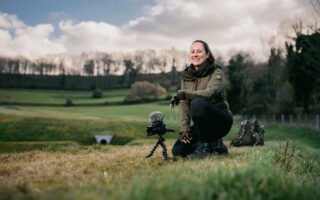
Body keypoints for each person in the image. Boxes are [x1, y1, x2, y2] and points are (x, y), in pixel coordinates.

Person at [170, 40, 233, 159]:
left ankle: (204, 148)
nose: (195, 54)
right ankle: (216, 146)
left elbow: (209, 93)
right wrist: (185, 128)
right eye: (193, 52)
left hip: (220, 122)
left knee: (197, 102)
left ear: (207, 54)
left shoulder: (216, 72)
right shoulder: (186, 76)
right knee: (178, 151)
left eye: (199, 51)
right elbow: (184, 103)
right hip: (203, 126)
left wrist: (183, 94)